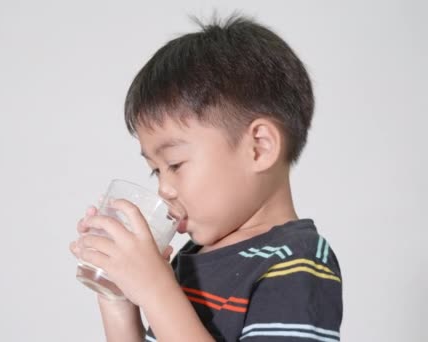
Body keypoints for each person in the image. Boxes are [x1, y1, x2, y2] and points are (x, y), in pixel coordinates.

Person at [70, 14, 343, 342]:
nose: (163, 188)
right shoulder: (192, 256)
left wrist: (156, 290)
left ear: (259, 147)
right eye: (156, 170)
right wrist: (118, 298)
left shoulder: (296, 264)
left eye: (175, 164)